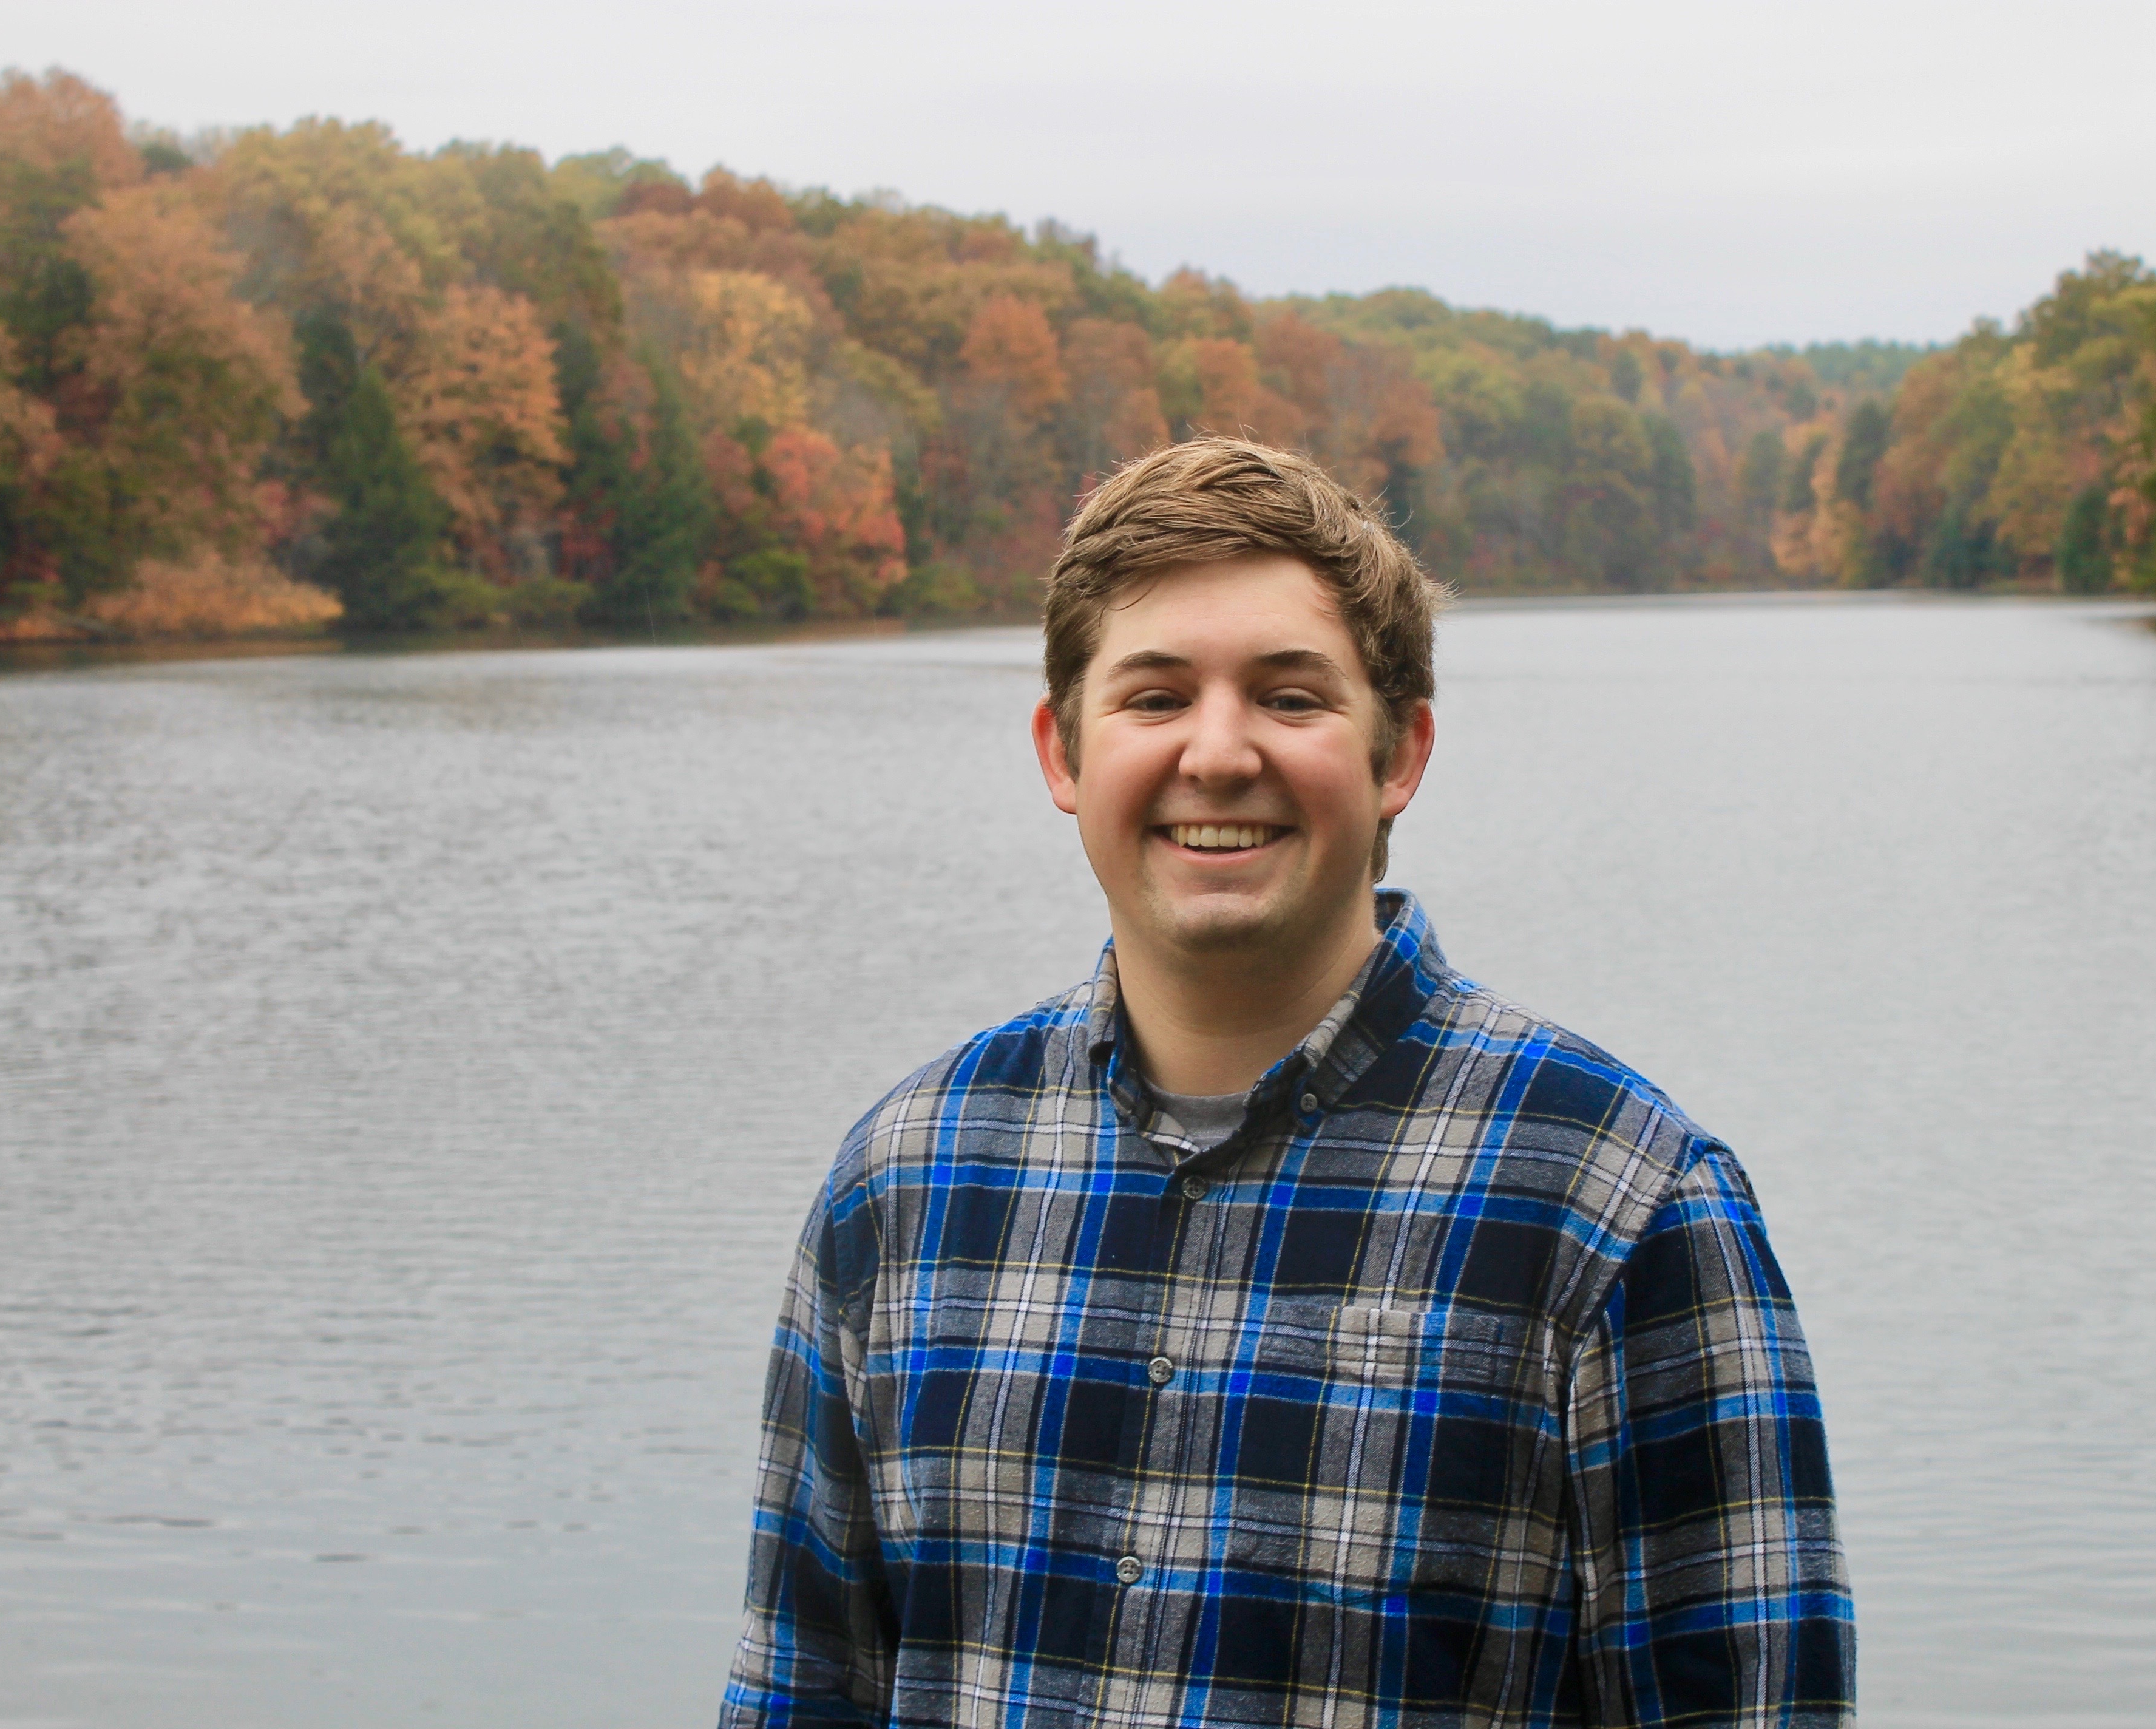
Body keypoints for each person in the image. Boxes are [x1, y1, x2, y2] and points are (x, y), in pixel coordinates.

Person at [722, 437, 1854, 1728]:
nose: (1218, 752)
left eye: (1290, 695)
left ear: (1399, 754)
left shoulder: (1623, 1203)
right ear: (1063, 752)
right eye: (1154, 697)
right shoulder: (907, 1181)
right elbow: (796, 1691)